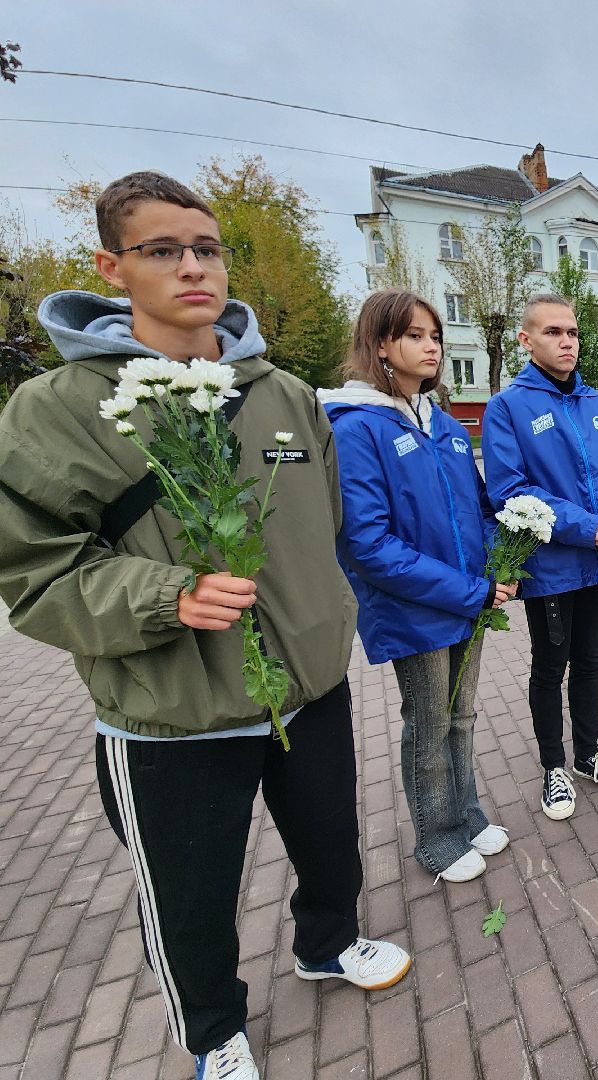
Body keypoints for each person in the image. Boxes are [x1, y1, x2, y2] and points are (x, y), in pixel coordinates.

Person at [0, 172, 410, 1080]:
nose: (194, 267)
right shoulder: (58, 409)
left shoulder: (284, 395)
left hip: (309, 691)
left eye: (208, 248)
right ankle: (213, 1026)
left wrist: (323, 626)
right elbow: (34, 569)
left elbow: (328, 523)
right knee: (192, 890)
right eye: (162, 250)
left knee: (330, 841)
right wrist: (163, 597)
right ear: (111, 265)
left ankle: (327, 943)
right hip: (172, 712)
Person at [321, 290, 515, 882]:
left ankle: (467, 814)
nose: (431, 347)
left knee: (463, 717)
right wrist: (466, 590)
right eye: (415, 336)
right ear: (380, 345)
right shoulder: (356, 428)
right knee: (428, 723)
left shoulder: (449, 427)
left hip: (470, 599)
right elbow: (368, 544)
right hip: (416, 609)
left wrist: (498, 568)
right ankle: (436, 837)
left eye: (435, 336)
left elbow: (479, 511)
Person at [482, 294, 598, 821]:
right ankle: (553, 764)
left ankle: (589, 754)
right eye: (552, 332)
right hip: (553, 567)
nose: (567, 341)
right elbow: (510, 490)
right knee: (551, 667)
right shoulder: (508, 408)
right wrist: (586, 528)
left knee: (591, 660)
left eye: (571, 332)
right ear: (526, 340)